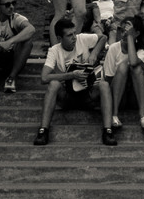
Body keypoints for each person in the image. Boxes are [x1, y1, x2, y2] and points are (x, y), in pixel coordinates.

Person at [34, 16, 112, 145]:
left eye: (74, 33)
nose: (74, 37)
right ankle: (43, 131)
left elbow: (103, 37)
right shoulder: (54, 51)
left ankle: (108, 130)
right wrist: (71, 75)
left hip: (88, 92)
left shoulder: (81, 39)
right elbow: (44, 77)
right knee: (53, 84)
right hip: (68, 96)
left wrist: (94, 53)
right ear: (60, 39)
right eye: (69, 35)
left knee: (104, 85)